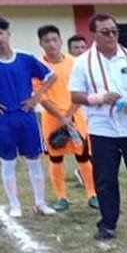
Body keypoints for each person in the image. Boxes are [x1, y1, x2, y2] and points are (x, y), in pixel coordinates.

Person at [69, 13, 127, 240]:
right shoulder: (83, 62)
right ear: (93, 34)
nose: (111, 36)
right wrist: (98, 98)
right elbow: (75, 95)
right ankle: (107, 224)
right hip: (103, 129)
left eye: (114, 31)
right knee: (105, 179)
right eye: (105, 32)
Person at [0, 14, 57, 217]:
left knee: (34, 157)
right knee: (8, 160)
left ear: (8, 34)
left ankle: (40, 203)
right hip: (3, 117)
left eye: (1, 33)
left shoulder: (25, 57)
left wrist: (36, 97)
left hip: (26, 115)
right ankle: (15, 205)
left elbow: (51, 76)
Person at [35, 25, 98, 212]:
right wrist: (60, 116)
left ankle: (92, 194)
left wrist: (70, 113)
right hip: (52, 119)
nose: (52, 44)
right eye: (47, 41)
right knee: (55, 159)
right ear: (41, 43)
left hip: (75, 116)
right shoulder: (37, 66)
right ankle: (62, 197)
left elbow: (83, 89)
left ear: (61, 41)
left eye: (55, 40)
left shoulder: (74, 62)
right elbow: (40, 96)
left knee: (84, 157)